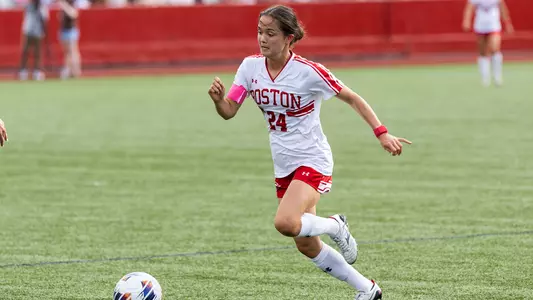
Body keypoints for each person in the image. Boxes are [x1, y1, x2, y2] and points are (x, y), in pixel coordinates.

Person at [208, 5, 412, 300]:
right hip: (284, 165)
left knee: (286, 223)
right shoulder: (250, 68)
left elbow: (352, 98)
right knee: (306, 244)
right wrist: (218, 101)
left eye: (270, 33)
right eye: (259, 32)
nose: (262, 39)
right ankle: (367, 289)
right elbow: (229, 111)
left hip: (312, 159)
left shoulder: (308, 72)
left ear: (289, 38)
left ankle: (335, 225)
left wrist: (381, 133)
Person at [462, 0, 514, 86]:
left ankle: (497, 77)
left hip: (494, 25)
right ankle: (485, 78)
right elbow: (469, 7)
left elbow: (502, 7)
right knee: (483, 52)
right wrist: (466, 20)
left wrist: (507, 22)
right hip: (480, 25)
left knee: (495, 48)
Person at [19, 0, 49, 81]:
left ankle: (37, 71)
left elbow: (45, 20)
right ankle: (23, 71)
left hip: (38, 31)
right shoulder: (29, 6)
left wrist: (44, 32)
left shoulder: (42, 7)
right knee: (25, 51)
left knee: (37, 52)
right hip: (28, 30)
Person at [58, 0, 81, 79]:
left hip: (71, 31)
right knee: (67, 52)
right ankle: (68, 70)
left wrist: (64, 5)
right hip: (64, 30)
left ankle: (76, 71)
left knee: (73, 51)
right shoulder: (65, 4)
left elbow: (74, 14)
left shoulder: (72, 4)